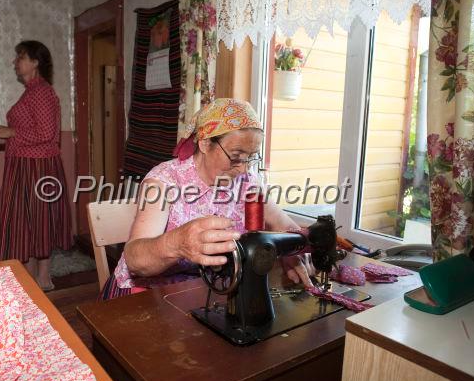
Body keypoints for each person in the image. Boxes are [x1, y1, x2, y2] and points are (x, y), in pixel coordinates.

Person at [101, 98, 317, 300]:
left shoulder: (249, 182)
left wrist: (294, 250)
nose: (243, 168)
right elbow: (135, 260)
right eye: (235, 156)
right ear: (204, 144)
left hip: (207, 291)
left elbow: (283, 224)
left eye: (250, 157)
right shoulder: (164, 180)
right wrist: (177, 243)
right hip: (149, 295)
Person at [0, 40, 71, 291]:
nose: (15, 62)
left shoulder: (42, 92)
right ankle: (33, 278)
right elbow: (31, 133)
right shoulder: (31, 91)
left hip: (37, 168)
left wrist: (10, 132)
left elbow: (46, 133)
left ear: (35, 62)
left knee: (38, 220)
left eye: (20, 57)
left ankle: (43, 278)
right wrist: (5, 138)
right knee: (27, 222)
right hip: (25, 165)